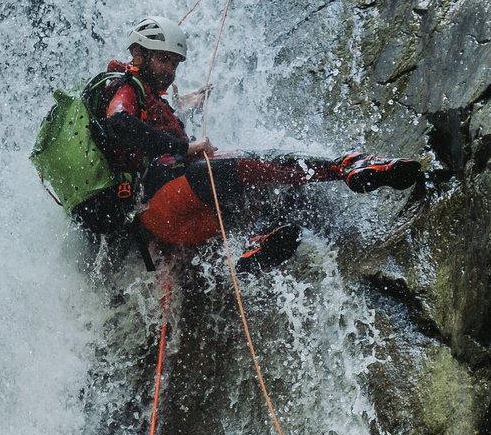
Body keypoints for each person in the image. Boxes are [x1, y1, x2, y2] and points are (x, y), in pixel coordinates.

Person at [70, 16, 424, 273]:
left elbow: (154, 123)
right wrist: (185, 149)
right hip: (157, 203)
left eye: (175, 62)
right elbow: (120, 122)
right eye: (163, 59)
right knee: (239, 164)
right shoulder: (123, 87)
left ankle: (250, 251)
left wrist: (189, 105)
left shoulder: (152, 100)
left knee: (260, 195)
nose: (170, 70)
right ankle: (345, 165)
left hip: (168, 225)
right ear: (137, 54)